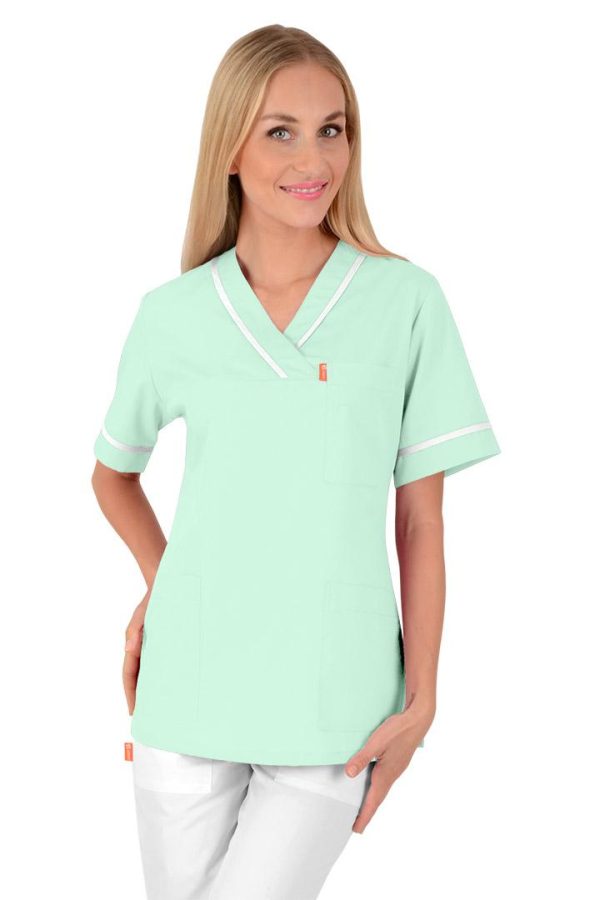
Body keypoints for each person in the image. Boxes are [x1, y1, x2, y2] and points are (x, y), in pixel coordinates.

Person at [91, 23, 501, 900]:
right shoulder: (173, 315)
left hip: (335, 701)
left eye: (333, 129)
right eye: (281, 131)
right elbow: (112, 474)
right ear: (230, 149)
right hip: (187, 685)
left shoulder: (405, 302)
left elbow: (420, 520)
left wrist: (422, 699)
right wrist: (167, 581)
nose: (315, 158)